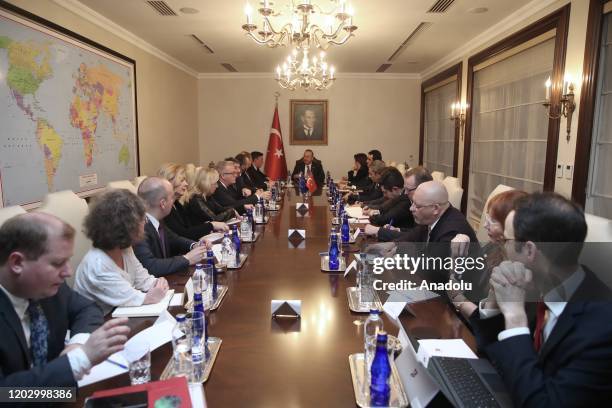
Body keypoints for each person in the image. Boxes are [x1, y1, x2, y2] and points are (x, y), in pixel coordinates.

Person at [468, 193, 612, 406]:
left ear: (529, 250)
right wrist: (494, 300)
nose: (502, 246)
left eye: (506, 240)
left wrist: (515, 317)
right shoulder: (536, 284)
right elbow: (490, 354)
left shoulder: (601, 328)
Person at [0, 212, 130, 387]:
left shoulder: (46, 287)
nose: (68, 272)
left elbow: (87, 309)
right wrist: (80, 359)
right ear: (16, 263)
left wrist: (78, 344)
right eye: (57, 263)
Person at [74, 189, 170, 315]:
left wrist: (158, 283)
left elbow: (144, 281)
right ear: (127, 225)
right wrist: (152, 294)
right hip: (99, 326)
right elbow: (135, 298)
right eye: (142, 219)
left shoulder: (125, 248)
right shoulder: (97, 265)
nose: (145, 223)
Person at [448, 189, 528, 317]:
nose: (485, 225)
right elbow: (461, 278)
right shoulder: (493, 247)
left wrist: (457, 298)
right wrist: (456, 256)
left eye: (493, 221)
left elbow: (487, 321)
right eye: (487, 218)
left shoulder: (515, 269)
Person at [133, 177, 208, 277]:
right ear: (163, 204)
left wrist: (195, 245)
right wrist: (187, 259)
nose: (174, 201)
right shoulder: (139, 227)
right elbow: (150, 266)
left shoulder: (157, 219)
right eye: (172, 197)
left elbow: (174, 239)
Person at [158, 163, 228, 241]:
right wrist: (211, 225)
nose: (186, 184)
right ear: (169, 182)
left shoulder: (176, 204)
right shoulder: (165, 208)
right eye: (181, 180)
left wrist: (208, 227)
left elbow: (189, 228)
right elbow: (183, 234)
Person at [365, 166, 433, 240]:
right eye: (405, 189)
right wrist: (398, 230)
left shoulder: (425, 208)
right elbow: (417, 233)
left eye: (408, 190)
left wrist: (379, 231)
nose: (405, 193)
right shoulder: (415, 203)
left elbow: (417, 239)